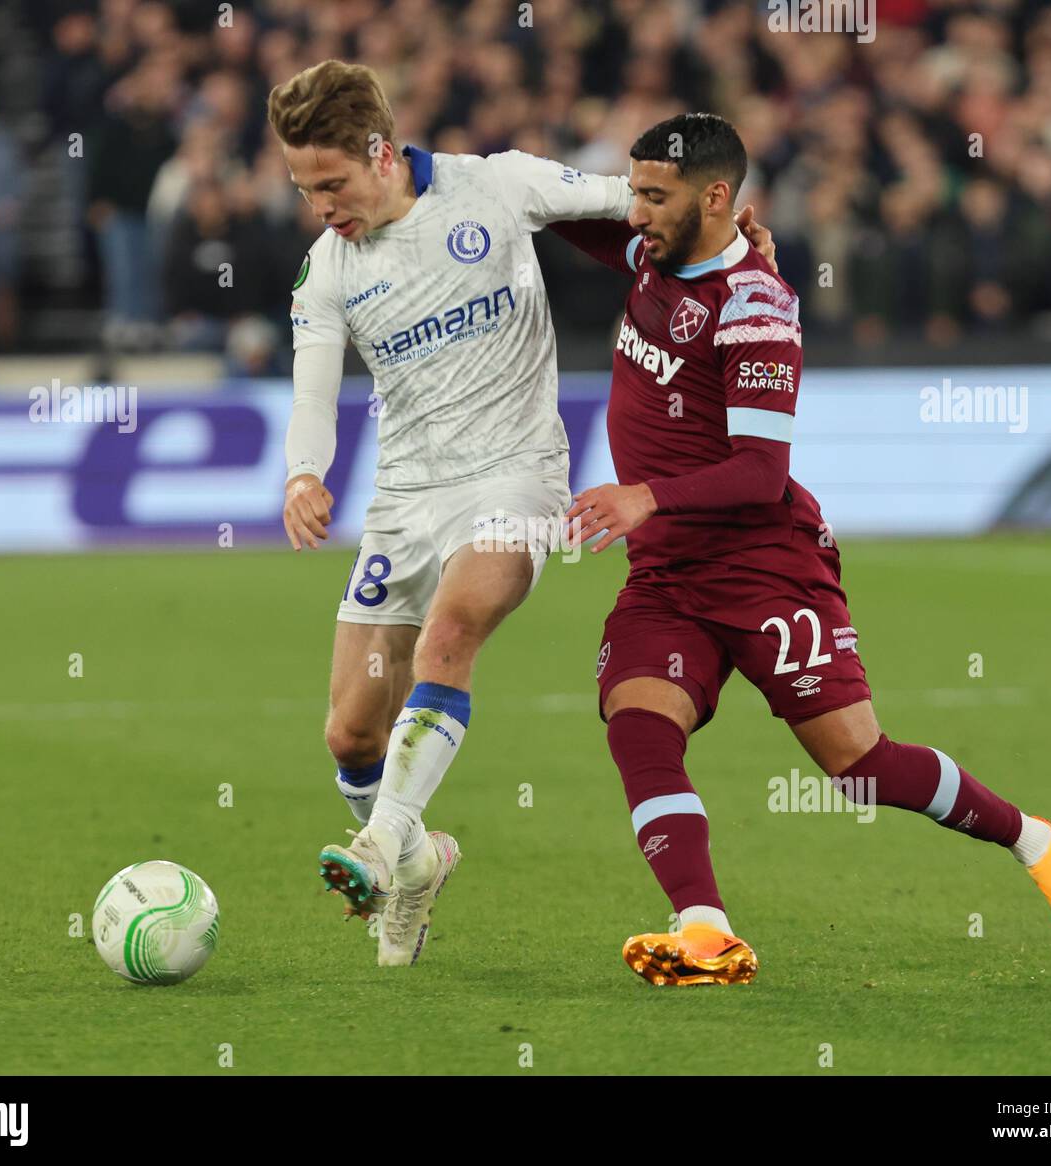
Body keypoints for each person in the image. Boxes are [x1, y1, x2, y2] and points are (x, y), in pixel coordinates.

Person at [553, 113, 1051, 986]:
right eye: (634, 195)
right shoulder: (653, 253)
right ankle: (703, 929)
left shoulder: (755, 308)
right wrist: (457, 184)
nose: (636, 215)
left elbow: (760, 473)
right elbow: (564, 218)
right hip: (668, 569)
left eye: (654, 198)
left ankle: (1034, 838)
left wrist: (645, 496)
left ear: (717, 198)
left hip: (765, 566)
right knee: (639, 720)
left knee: (858, 765)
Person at [269, 62, 778, 968]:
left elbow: (643, 200)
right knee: (350, 732)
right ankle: (420, 860)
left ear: (380, 153)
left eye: (332, 184)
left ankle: (381, 846)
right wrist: (304, 474)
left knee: (450, 637)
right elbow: (313, 392)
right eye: (305, 189)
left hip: (517, 480)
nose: (320, 206)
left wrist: (735, 241)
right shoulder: (329, 269)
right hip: (404, 502)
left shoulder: (496, 184)